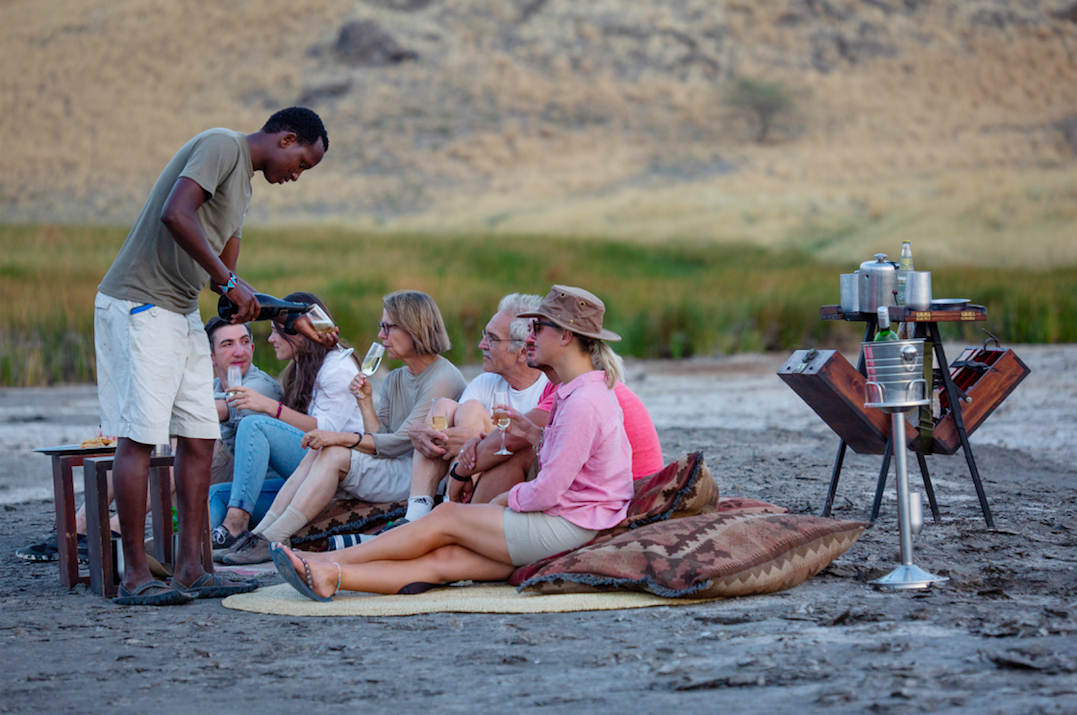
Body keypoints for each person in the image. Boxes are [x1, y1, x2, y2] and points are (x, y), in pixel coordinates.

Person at [93, 106, 331, 605]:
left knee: (200, 439)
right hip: (141, 302)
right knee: (141, 437)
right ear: (286, 139)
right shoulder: (223, 145)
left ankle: (192, 570)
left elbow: (230, 297)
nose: (296, 176)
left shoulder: (243, 188)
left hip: (177, 311)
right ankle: (135, 576)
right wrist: (227, 280)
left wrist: (289, 314)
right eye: (303, 164)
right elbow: (176, 214)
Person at [271, 285, 633, 599]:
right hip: (579, 518)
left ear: (566, 336)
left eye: (539, 327)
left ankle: (323, 559)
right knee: (445, 562)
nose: (532, 336)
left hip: (572, 524)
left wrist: (509, 499)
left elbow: (549, 492)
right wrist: (537, 435)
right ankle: (331, 575)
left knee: (447, 517)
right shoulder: (578, 392)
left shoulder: (583, 400)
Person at [219, 290, 467, 564]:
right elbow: (381, 434)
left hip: (416, 475)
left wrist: (338, 437)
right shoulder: (397, 377)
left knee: (333, 449)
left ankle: (275, 536)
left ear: (414, 328)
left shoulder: (443, 377)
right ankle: (262, 534)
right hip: (390, 464)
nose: (381, 336)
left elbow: (399, 443)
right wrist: (365, 403)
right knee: (322, 451)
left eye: (388, 327)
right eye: (380, 327)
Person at [209, 293, 363, 555]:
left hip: (336, 468)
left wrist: (271, 407)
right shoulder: (299, 368)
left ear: (299, 332)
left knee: (254, 425)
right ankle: (205, 547)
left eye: (276, 332)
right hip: (303, 469)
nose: (270, 340)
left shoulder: (336, 366)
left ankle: (236, 526)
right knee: (217, 494)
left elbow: (326, 432)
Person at [450, 322, 664, 505]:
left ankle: (471, 523)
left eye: (538, 330)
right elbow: (528, 439)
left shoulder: (582, 392)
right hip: (606, 492)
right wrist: (481, 444)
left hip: (626, 499)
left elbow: (511, 443)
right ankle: (473, 522)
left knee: (516, 455)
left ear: (565, 339)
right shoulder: (567, 386)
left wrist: (460, 471)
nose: (528, 339)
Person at [394, 293, 548, 527]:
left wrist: (467, 439)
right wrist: (422, 432)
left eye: (493, 339)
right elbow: (457, 436)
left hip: (510, 479)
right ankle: (416, 513)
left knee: (470, 412)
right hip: (470, 469)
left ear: (523, 351)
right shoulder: (486, 382)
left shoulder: (548, 389)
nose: (481, 345)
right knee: (444, 407)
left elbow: (517, 443)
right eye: (484, 335)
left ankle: (450, 511)